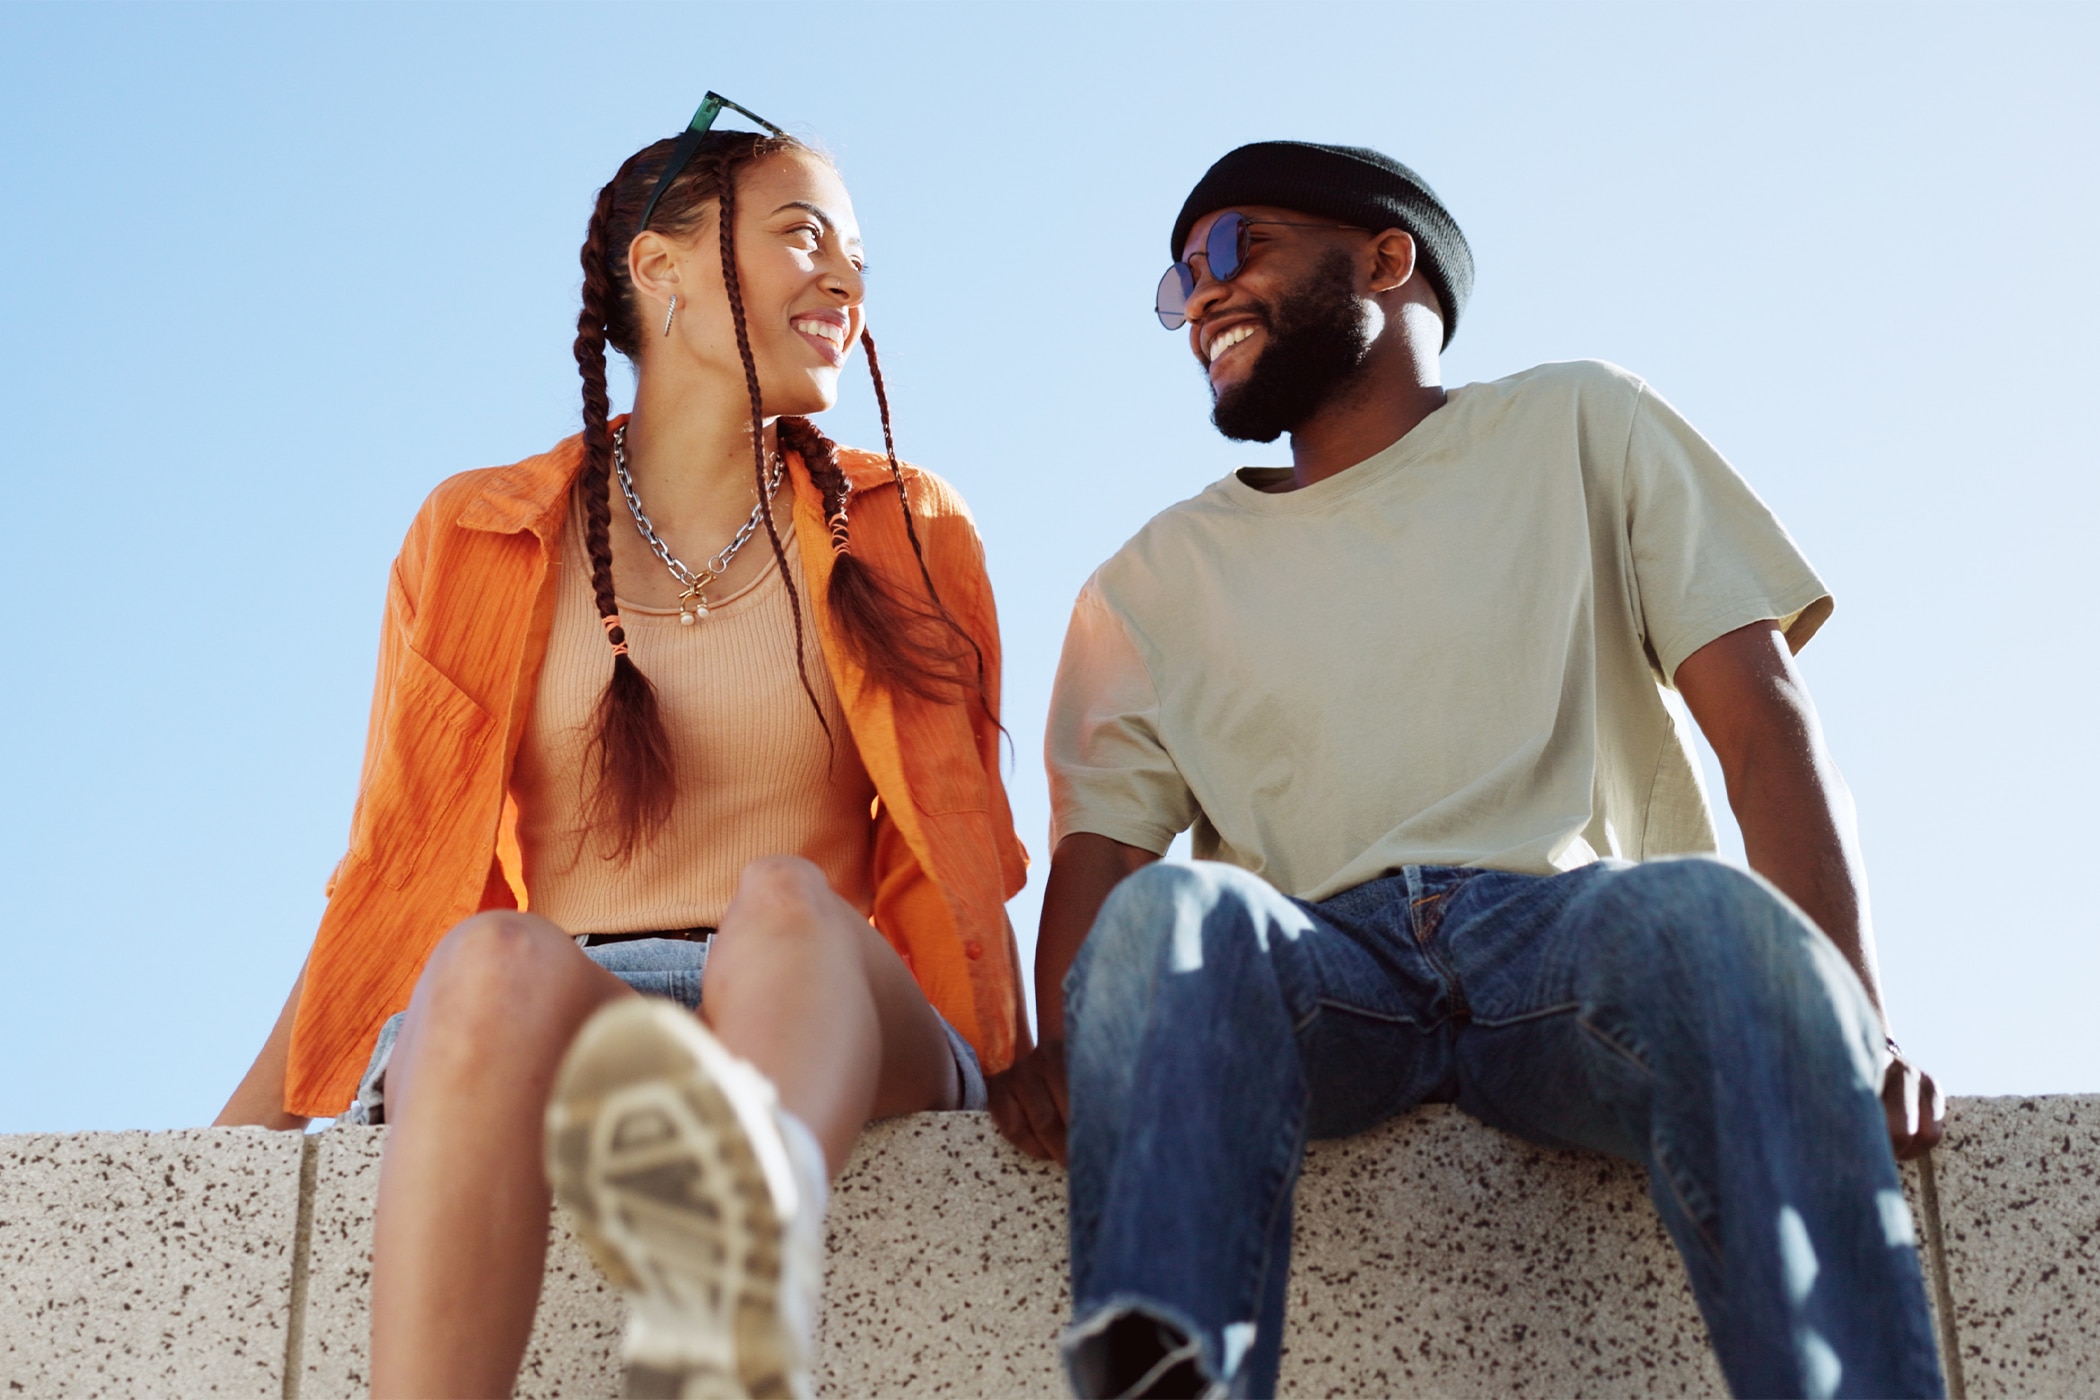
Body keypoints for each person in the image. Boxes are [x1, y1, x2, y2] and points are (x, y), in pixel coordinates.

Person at [988, 140, 1946, 1400]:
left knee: (1716, 916)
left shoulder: (1582, 421)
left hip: (1570, 941)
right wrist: (1081, 1047)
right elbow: (1102, 860)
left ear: (1388, 259)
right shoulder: (1147, 581)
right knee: (1174, 915)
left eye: (1234, 248)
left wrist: (1844, 1023)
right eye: (1178, 283)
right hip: (1317, 966)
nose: (1200, 295)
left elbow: (1765, 723)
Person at [212, 99, 1028, 1399]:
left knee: (785, 901)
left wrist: (1025, 1069)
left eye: (859, 254)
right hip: (588, 1013)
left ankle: (734, 1255)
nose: (847, 278)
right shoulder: (474, 532)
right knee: (482, 961)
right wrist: (250, 1123)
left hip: (828, 1019)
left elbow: (961, 845)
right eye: (805, 234)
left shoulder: (902, 523)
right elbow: (393, 858)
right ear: (662, 272)